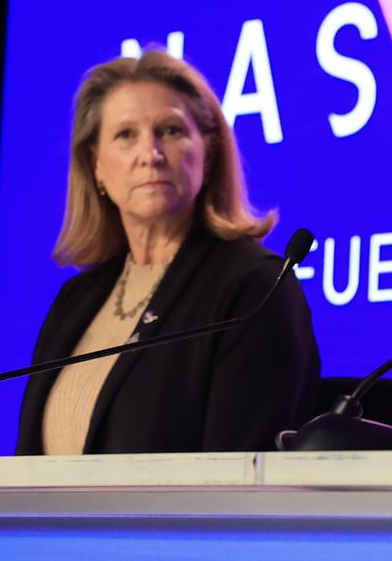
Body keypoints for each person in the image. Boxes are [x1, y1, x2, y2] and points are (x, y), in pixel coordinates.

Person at [18, 51, 318, 454]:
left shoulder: (254, 289)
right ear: (96, 167)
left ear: (208, 154)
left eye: (171, 131)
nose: (151, 154)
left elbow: (240, 481)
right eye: (126, 135)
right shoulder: (77, 300)